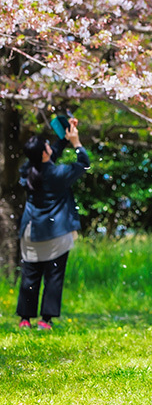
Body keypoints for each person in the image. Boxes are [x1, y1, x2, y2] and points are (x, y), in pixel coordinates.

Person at [17, 117, 90, 330]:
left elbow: (48, 156)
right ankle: (45, 320)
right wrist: (76, 143)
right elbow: (84, 164)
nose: (50, 146)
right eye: (47, 146)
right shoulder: (59, 174)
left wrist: (65, 137)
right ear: (43, 153)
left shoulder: (27, 170)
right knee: (54, 277)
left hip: (31, 231)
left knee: (30, 276)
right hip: (56, 233)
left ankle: (24, 319)